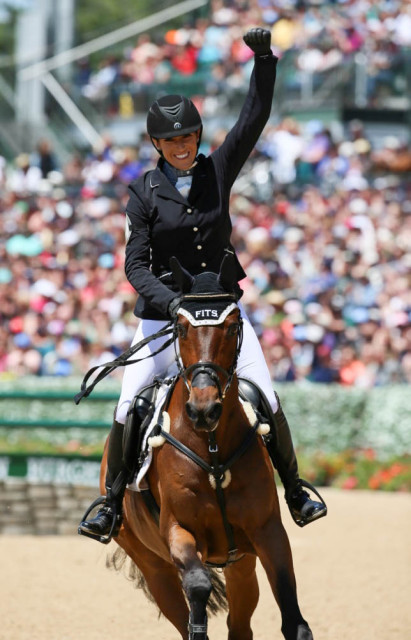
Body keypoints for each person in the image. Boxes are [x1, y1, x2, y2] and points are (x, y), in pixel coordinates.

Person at [79, 28, 327, 541]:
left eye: (188, 137)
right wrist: (172, 305)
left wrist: (264, 60)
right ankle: (109, 503)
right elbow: (136, 266)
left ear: (196, 136)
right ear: (156, 144)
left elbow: (252, 119)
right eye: (172, 140)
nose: (182, 146)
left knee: (267, 398)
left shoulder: (218, 170)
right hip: (164, 318)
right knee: (130, 404)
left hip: (225, 316)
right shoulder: (141, 193)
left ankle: (295, 488)